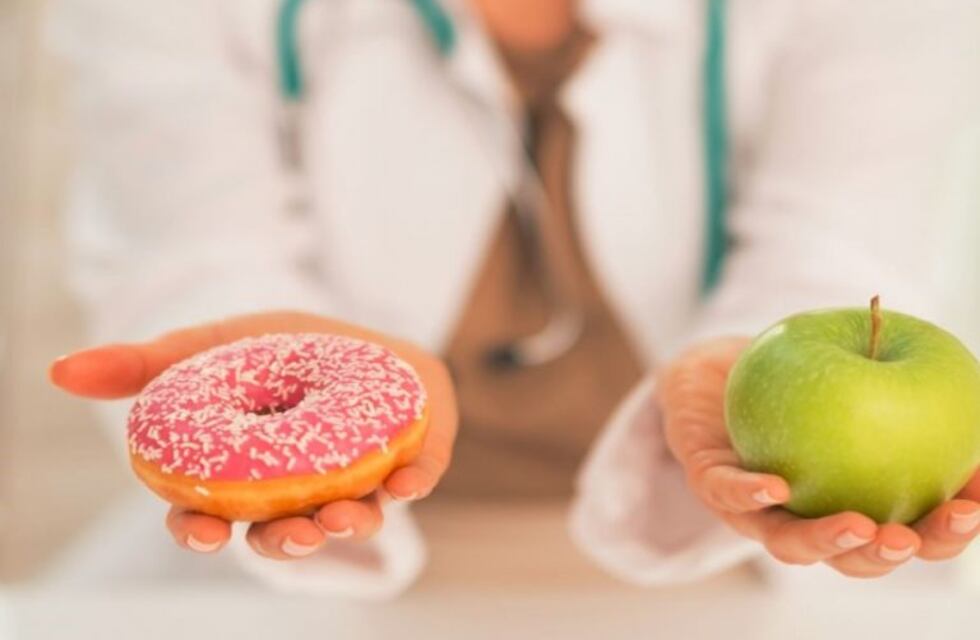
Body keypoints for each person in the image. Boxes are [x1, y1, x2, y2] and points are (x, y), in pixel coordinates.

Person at [47, 0, 980, 594]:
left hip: (710, 540)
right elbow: (195, 242)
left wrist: (749, 386)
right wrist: (271, 346)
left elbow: (837, 250)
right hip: (308, 562)